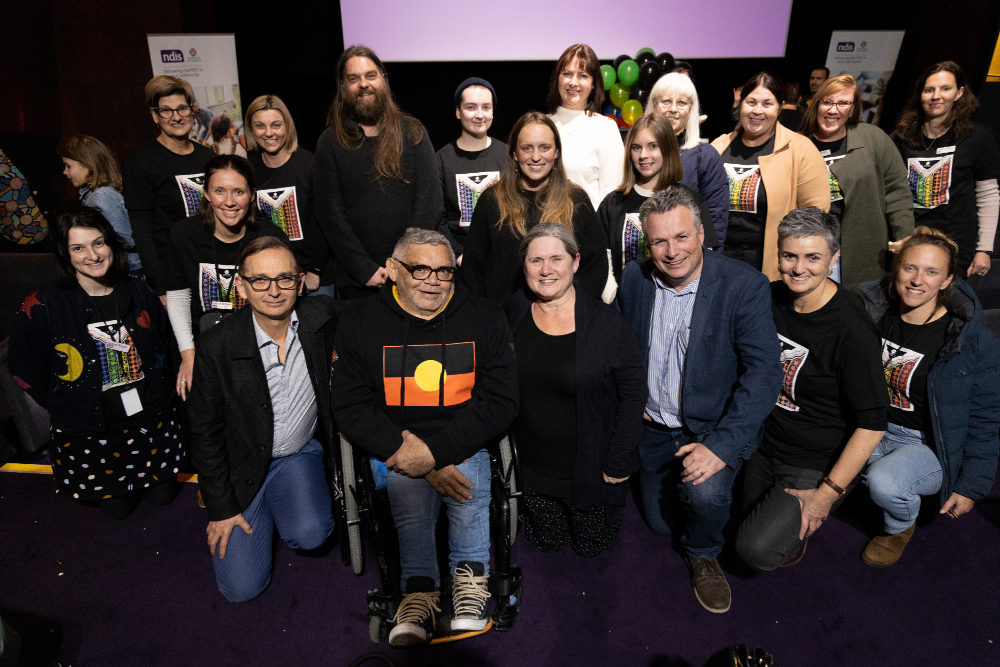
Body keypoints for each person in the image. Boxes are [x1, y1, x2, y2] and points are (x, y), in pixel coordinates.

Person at [332, 228, 518, 646]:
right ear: (394, 270)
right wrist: (407, 452)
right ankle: (420, 591)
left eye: (444, 271)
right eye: (419, 269)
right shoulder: (359, 321)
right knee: (409, 490)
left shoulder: (485, 317)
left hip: (461, 439)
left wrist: (434, 454)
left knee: (467, 479)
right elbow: (349, 405)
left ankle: (469, 580)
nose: (432, 280)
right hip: (393, 444)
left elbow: (501, 401)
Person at [617, 186, 782, 614]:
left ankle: (705, 553)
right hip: (652, 425)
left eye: (682, 237)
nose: (672, 251)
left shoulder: (743, 285)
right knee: (658, 525)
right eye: (659, 241)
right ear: (647, 244)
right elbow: (620, 352)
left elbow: (764, 376)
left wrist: (720, 447)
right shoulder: (634, 279)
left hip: (711, 427)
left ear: (702, 233)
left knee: (705, 498)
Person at [734, 207, 888, 573]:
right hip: (762, 441)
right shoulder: (767, 297)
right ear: (778, 255)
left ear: (834, 258)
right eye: (790, 256)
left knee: (754, 550)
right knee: (730, 515)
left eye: (813, 257)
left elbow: (873, 424)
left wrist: (826, 494)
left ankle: (834, 504)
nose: (799, 268)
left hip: (813, 462)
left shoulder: (853, 329)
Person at [188, 236, 340, 602]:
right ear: (241, 284)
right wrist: (222, 507)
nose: (273, 291)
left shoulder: (323, 318)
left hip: (297, 454)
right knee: (241, 589)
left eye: (285, 279)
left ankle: (284, 495)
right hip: (240, 466)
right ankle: (262, 503)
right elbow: (204, 433)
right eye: (260, 280)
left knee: (312, 533)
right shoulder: (216, 345)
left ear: (300, 282)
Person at [9, 206, 184, 519]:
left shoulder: (136, 289)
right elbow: (24, 370)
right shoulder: (42, 305)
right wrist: (66, 403)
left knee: (164, 497)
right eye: (78, 247)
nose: (92, 255)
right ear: (65, 253)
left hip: (149, 420)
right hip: (92, 431)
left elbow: (165, 344)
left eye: (98, 243)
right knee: (119, 509)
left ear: (111, 245)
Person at [858, 227, 1000, 566]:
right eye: (910, 268)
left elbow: (986, 416)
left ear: (948, 280)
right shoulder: (873, 314)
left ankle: (899, 526)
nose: (917, 280)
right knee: (839, 458)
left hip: (928, 443)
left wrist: (971, 487)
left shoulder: (971, 342)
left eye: (931, 271)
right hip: (874, 425)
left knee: (883, 482)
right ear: (896, 271)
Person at [507, 223, 646, 556]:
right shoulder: (515, 309)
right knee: (548, 545)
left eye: (556, 258)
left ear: (576, 262)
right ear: (524, 266)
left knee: (591, 546)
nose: (545, 270)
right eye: (535, 260)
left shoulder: (607, 325)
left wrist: (617, 461)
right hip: (532, 467)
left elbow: (632, 396)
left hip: (588, 469)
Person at [314, 45, 442, 300]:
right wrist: (364, 269)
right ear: (343, 86)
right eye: (354, 78)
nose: (364, 84)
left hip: (413, 275)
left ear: (383, 78)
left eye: (371, 75)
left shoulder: (413, 132)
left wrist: (405, 263)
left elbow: (429, 203)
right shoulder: (330, 142)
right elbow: (330, 215)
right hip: (358, 282)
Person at [163, 155, 288, 402]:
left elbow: (282, 301)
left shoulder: (269, 237)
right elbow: (178, 297)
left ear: (252, 195)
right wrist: (189, 355)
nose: (229, 202)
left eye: (238, 191)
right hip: (204, 345)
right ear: (207, 193)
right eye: (220, 190)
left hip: (257, 344)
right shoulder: (184, 235)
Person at [461, 111, 609, 310]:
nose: (536, 157)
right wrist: (488, 319)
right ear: (514, 153)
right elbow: (473, 268)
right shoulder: (491, 200)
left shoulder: (576, 200)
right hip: (504, 323)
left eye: (545, 147)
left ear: (556, 152)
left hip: (563, 321)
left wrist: (571, 310)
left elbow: (595, 266)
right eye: (527, 148)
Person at [800, 75, 914, 291]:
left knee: (862, 315)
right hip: (813, 254)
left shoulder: (873, 139)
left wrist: (905, 236)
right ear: (816, 104)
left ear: (853, 108)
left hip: (865, 253)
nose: (834, 110)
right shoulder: (798, 143)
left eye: (843, 103)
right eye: (827, 102)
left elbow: (896, 191)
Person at [711, 72, 829, 279]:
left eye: (767, 103)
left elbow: (816, 214)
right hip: (716, 265)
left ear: (780, 106)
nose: (757, 111)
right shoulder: (718, 147)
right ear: (741, 104)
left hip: (769, 271)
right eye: (751, 102)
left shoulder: (800, 149)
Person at [892, 61, 1000, 278]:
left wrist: (984, 249)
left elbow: (988, 196)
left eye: (945, 89)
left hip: (957, 246)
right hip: (911, 241)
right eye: (929, 89)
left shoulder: (977, 137)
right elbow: (890, 191)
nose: (936, 96)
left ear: (959, 93)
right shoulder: (900, 137)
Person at [121, 75, 214, 298]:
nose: (176, 117)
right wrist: (162, 286)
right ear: (154, 115)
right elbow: (142, 232)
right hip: (173, 275)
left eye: (182, 108)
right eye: (166, 110)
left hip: (211, 265)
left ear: (192, 111)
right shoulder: (140, 162)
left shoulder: (207, 156)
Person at [597, 113, 718, 283]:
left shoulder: (692, 201)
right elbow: (601, 260)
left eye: (653, 146)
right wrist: (613, 295)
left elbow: (707, 259)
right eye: (636, 147)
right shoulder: (613, 203)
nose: (643, 155)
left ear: (667, 149)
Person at [245, 94, 334, 297]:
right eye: (260, 126)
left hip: (314, 277)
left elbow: (325, 222)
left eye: (276, 125)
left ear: (287, 126)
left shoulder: (310, 164)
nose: (269, 133)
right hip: (270, 278)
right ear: (251, 129)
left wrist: (315, 270)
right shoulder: (249, 169)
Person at [646, 72, 729, 246]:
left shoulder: (705, 156)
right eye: (666, 101)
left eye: (681, 102)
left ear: (691, 109)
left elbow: (716, 220)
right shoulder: (638, 153)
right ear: (654, 104)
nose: (673, 109)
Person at [436, 78, 508, 263]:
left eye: (486, 107)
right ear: (458, 112)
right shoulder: (442, 159)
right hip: (460, 259)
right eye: (471, 107)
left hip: (503, 255)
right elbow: (437, 217)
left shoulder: (508, 155)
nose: (479, 115)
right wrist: (459, 254)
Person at [546, 44, 625, 210]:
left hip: (589, 231)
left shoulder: (605, 128)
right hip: (545, 231)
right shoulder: (541, 125)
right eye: (567, 74)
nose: (573, 82)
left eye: (582, 76)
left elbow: (612, 197)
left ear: (594, 83)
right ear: (557, 78)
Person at [57, 134, 142, 279]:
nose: (65, 172)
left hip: (128, 271)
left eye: (68, 165)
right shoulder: (96, 193)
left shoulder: (101, 196)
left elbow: (122, 241)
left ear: (86, 163)